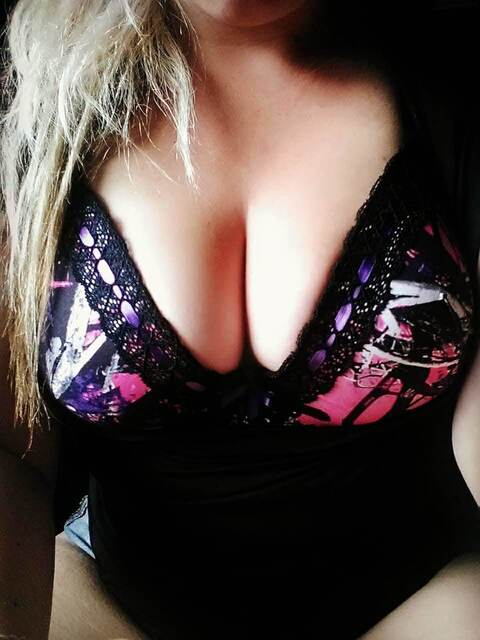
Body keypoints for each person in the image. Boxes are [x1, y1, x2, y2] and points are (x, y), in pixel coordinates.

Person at [0, 1, 479, 638]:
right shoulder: (30, 97)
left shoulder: (455, 78)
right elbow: (13, 453)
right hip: (105, 597)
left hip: (422, 599)